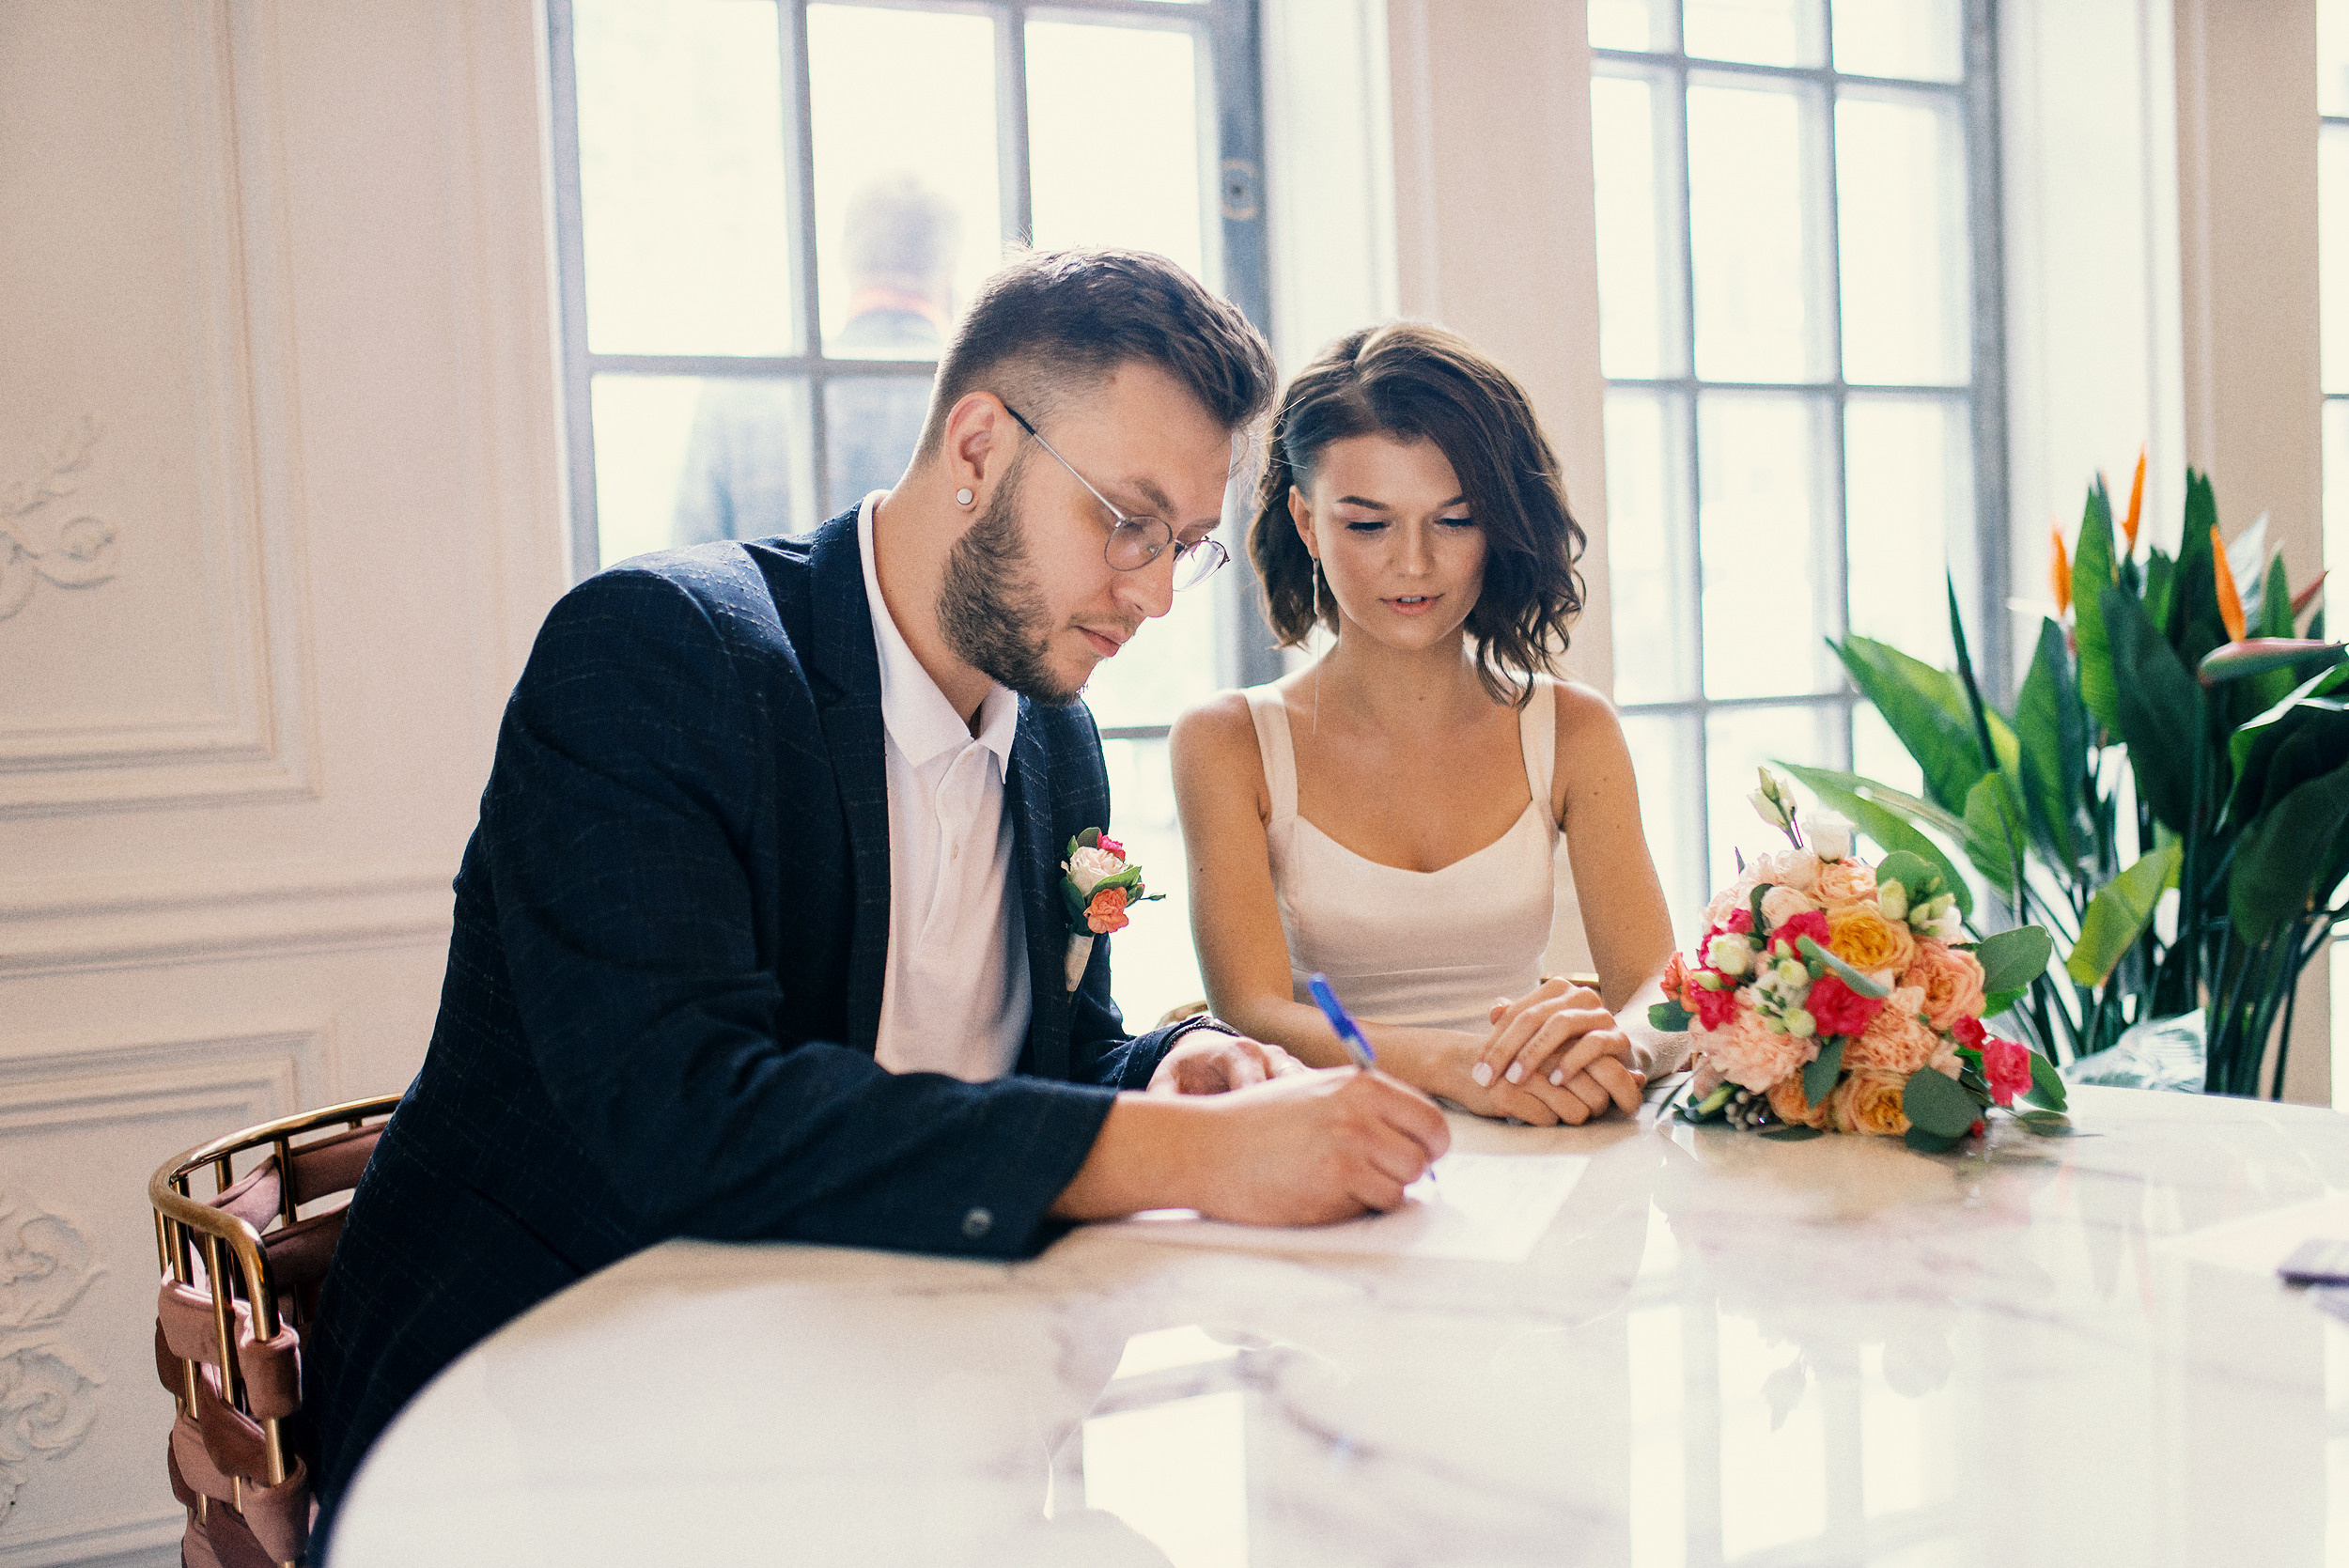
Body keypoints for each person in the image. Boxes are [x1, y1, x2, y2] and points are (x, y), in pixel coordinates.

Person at [306, 252, 1451, 1537]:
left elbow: (1051, 1055)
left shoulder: (1055, 737)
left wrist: (1174, 1069)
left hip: (880, 1400)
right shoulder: (660, 654)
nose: (1147, 594)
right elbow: (686, 1120)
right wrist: (1197, 1158)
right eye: (1126, 520)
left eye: (1181, 549)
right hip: (538, 1428)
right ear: (977, 440)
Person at [1170, 322, 1681, 1126]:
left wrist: (1623, 1045)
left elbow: (1660, 985)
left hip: (1544, 1131)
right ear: (1307, 523)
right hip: (1336, 1144)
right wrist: (1462, 1065)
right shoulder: (1227, 742)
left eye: (1455, 519)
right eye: (1368, 525)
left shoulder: (1573, 729)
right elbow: (1256, 1012)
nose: (1414, 563)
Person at [673, 173, 958, 545]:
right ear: (950, 269)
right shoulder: (981, 399)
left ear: (844, 259)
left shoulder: (740, 395)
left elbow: (689, 571)